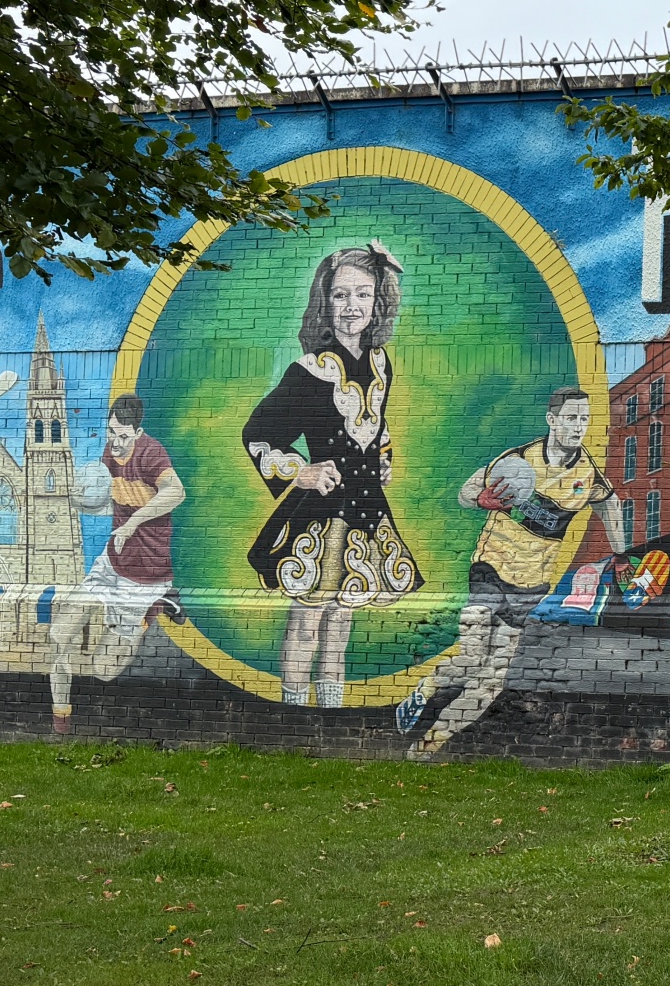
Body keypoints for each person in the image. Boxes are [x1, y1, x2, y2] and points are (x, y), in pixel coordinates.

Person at [399, 386, 626, 759]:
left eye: (584, 418)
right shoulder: (518, 460)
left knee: (492, 680)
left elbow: (611, 507)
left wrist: (621, 555)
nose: (578, 426)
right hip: (490, 568)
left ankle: (427, 745)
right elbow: (466, 492)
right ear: (552, 419)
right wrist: (480, 499)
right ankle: (427, 688)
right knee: (472, 657)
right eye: (571, 417)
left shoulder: (587, 475)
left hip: (531, 586)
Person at [242, 242, 419, 708]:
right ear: (325, 302)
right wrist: (300, 471)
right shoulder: (308, 371)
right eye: (340, 295)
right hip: (321, 514)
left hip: (366, 508)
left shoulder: (381, 363)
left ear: (378, 302)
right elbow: (259, 433)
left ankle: (330, 713)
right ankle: (294, 715)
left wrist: (383, 457)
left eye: (363, 294)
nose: (351, 306)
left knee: (342, 620)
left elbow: (375, 423)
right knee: (308, 619)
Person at [48, 394, 185, 733]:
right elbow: (112, 501)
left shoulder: (151, 454)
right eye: (111, 432)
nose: (116, 441)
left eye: (123, 435)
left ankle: (153, 608)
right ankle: (61, 720)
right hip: (110, 563)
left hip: (145, 577)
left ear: (137, 432)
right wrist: (81, 500)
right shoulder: (110, 454)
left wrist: (132, 524)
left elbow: (176, 492)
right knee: (58, 634)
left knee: (103, 670)